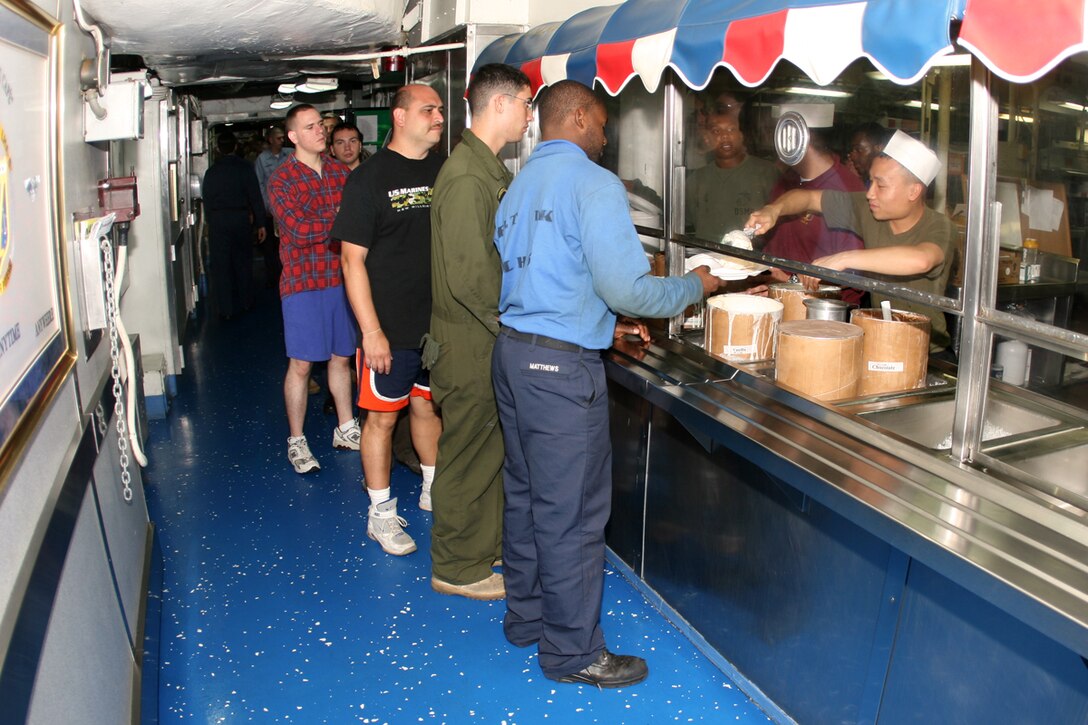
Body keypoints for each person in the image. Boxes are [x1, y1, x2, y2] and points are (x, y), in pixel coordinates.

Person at [491, 80, 721, 688]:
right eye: (601, 121)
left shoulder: (517, 185)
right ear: (578, 116)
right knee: (572, 514)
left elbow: (542, 273)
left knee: (527, 495)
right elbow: (631, 289)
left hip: (513, 355)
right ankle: (572, 654)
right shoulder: (594, 184)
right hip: (560, 374)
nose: (606, 133)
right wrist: (698, 285)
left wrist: (598, 323)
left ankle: (527, 618)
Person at [427, 64, 533, 601]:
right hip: (470, 341)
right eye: (525, 103)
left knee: (490, 450)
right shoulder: (469, 176)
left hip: (483, 337)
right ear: (499, 104)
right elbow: (472, 278)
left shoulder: (485, 168)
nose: (528, 114)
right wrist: (521, 320)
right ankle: (456, 566)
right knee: (467, 454)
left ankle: (482, 548)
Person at [333, 84, 445, 556]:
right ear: (399, 117)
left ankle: (432, 488)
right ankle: (379, 515)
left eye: (440, 109)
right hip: (390, 327)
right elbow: (350, 260)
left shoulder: (447, 169)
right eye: (428, 109)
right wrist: (371, 332)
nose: (438, 116)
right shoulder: (370, 179)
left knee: (426, 407)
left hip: (437, 327)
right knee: (380, 421)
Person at [747, 130, 955, 354]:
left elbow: (921, 259)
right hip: (880, 340)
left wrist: (843, 258)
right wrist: (773, 209)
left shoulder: (939, 226)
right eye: (870, 181)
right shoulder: (869, 210)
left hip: (927, 351)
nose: (870, 193)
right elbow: (807, 197)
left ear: (913, 191)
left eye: (881, 185)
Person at [267, 104, 360, 474]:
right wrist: (339, 220)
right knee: (303, 364)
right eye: (310, 127)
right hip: (303, 283)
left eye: (320, 125)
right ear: (293, 137)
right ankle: (297, 441)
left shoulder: (341, 173)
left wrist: (331, 221)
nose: (320, 131)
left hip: (342, 279)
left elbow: (350, 222)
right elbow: (297, 231)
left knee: (341, 357)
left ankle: (346, 426)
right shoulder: (282, 179)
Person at [762, 104, 866, 305]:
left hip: (826, 311)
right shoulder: (785, 182)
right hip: (780, 298)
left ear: (800, 138)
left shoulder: (847, 188)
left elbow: (850, 275)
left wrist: (789, 282)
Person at [685, 92, 778, 244]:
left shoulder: (766, 172)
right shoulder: (697, 179)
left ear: (742, 134)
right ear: (707, 137)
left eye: (731, 129)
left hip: (752, 262)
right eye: (716, 131)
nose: (724, 136)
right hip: (707, 259)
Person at [202, 131, 266, 319]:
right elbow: (255, 197)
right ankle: (247, 302)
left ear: (218, 149)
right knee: (243, 262)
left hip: (218, 221)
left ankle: (225, 309)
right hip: (240, 219)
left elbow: (207, 200)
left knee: (221, 266)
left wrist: (209, 222)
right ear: (236, 147)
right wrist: (261, 223)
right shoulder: (245, 168)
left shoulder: (211, 172)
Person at [255, 126, 292, 288]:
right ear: (270, 139)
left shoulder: (291, 155)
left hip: (290, 211)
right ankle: (274, 280)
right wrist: (266, 208)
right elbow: (259, 185)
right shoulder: (262, 160)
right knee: (271, 249)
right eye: (278, 138)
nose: (282, 141)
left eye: (283, 138)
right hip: (272, 212)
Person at [848, 122, 890, 187]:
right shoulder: (868, 180)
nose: (852, 156)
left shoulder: (890, 183)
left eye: (859, 150)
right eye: (852, 150)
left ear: (879, 148)